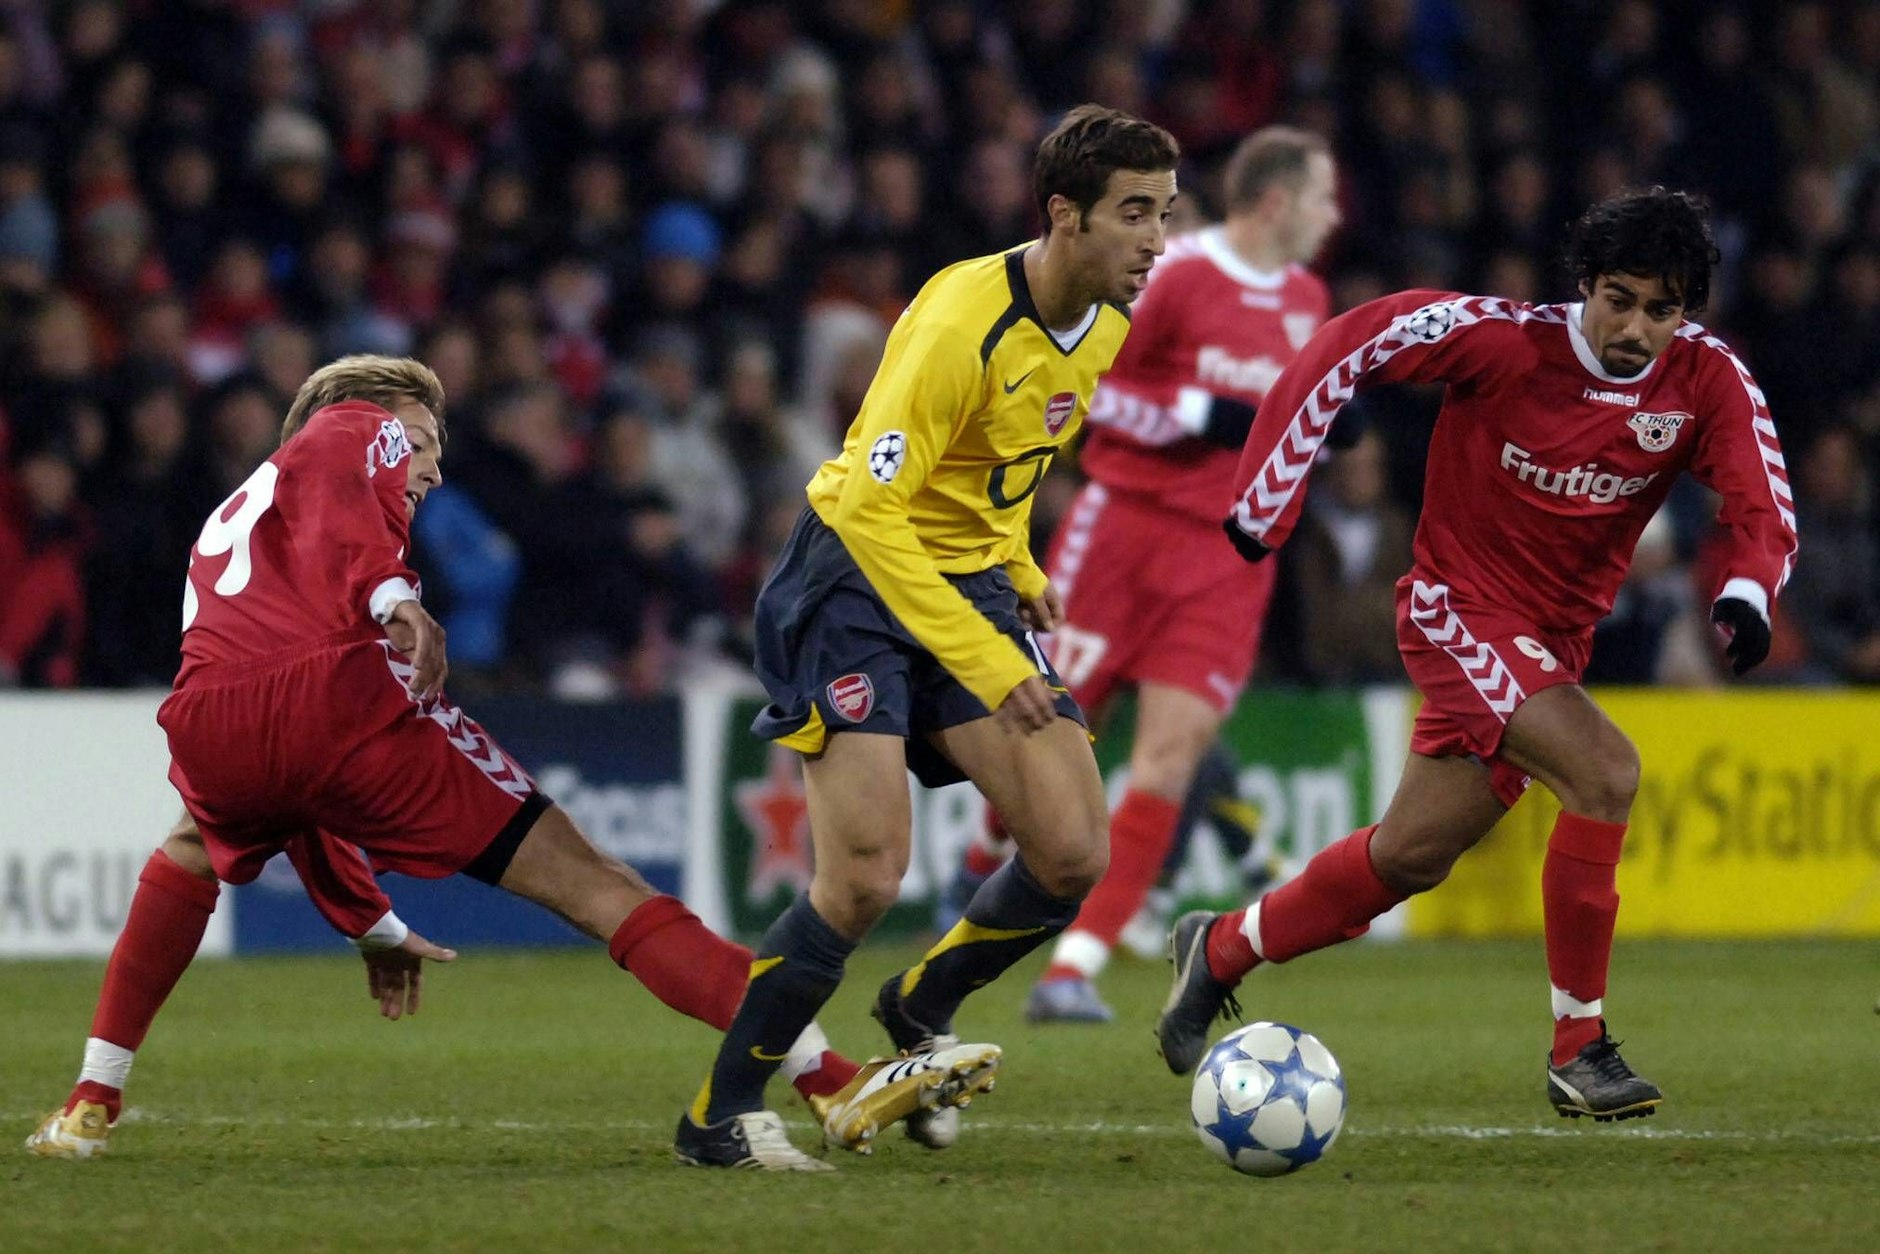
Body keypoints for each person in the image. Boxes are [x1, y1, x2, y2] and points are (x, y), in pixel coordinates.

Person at [25, 356, 969, 1169]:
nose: (430, 470)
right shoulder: (356, 425)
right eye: (427, 447)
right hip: (337, 697)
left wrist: (369, 922)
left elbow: (293, 775)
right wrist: (395, 596)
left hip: (209, 722)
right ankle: (829, 1079)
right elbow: (357, 536)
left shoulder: (243, 516)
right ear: (386, 422)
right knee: (600, 887)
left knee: (189, 851)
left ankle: (90, 1102)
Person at [1160, 188, 1797, 1122]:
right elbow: (1349, 343)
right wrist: (1269, 496)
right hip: (1456, 611)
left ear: (1686, 312)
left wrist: (1747, 589)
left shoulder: (1705, 378)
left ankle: (1217, 949)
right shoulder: (1500, 340)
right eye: (1618, 298)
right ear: (1584, 285)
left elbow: (1760, 494)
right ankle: (1579, 1049)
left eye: (1661, 309)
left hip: (1552, 646)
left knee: (1408, 857)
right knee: (1606, 773)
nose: (1633, 327)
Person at [675, 105, 1182, 1170]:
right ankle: (717, 1113)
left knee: (1072, 847)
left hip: (961, 584)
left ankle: (918, 1007)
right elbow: (870, 506)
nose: (1153, 239)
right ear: (1064, 215)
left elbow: (995, 476)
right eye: (1133, 214)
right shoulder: (961, 322)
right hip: (853, 581)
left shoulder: (1104, 325)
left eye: (1163, 214)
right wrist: (993, 664)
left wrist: (1017, 569)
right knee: (862, 876)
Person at [984, 125, 1344, 1024]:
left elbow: (1278, 424)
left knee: (1171, 756)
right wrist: (1194, 410)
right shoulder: (1176, 272)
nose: (1333, 217)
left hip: (1227, 557)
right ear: (1275, 201)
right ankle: (981, 878)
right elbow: (1090, 387)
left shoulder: (1308, 299)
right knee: (1044, 730)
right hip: (1124, 535)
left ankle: (1072, 968)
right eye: (1322, 199)